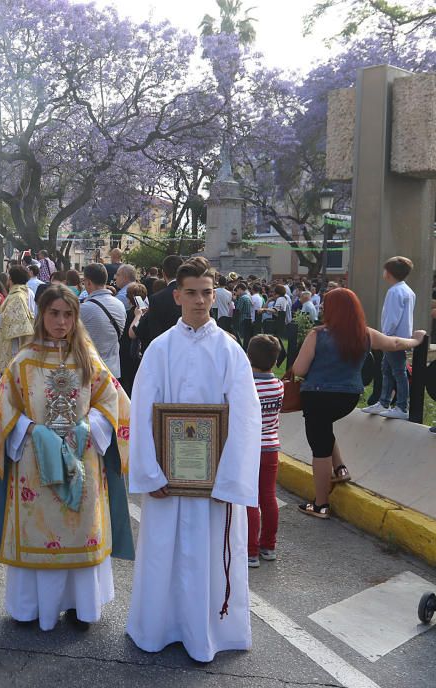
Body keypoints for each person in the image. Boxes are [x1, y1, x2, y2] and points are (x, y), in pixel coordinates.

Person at [126, 256, 262, 663]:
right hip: (168, 479)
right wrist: (150, 473)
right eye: (192, 293)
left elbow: (245, 418)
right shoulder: (159, 348)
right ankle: (159, 627)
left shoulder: (230, 350)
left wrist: (228, 480)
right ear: (177, 294)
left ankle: (210, 633)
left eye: (207, 292)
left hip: (212, 484)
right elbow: (141, 410)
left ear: (213, 294)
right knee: (163, 551)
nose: (201, 300)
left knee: (207, 556)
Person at [0, 285, 132, 631]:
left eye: (68, 314)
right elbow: (0, 411)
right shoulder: (24, 361)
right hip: (32, 462)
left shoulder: (89, 360)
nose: (61, 322)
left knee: (79, 530)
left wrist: (88, 426)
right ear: (41, 316)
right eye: (53, 314)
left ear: (76, 318)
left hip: (83, 458)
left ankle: (81, 606)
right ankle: (30, 608)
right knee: (37, 530)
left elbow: (115, 405)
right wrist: (32, 430)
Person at [292, 288, 425, 518]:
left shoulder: (317, 334)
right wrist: (416, 339)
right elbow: (394, 343)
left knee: (319, 448)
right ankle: (340, 468)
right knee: (325, 430)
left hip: (317, 396)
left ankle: (321, 504)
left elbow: (299, 369)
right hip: (349, 397)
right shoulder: (365, 334)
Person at [245, 335, 284, 568]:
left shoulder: (247, 385)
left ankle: (250, 550)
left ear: (249, 357)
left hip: (250, 448)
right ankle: (268, 545)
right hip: (271, 446)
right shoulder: (278, 385)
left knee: (250, 499)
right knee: (268, 497)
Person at [361, 257, 416, 420]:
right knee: (388, 369)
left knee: (397, 372)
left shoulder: (394, 291)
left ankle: (400, 406)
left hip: (392, 338)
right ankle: (384, 402)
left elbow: (392, 318)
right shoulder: (408, 290)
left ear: (390, 272)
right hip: (401, 337)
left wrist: (384, 336)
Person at [0, 265, 36, 384]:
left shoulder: (17, 296)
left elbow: (7, 322)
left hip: (11, 346)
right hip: (9, 342)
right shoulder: (20, 294)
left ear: (11, 279)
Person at [80, 263, 126, 378]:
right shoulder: (119, 304)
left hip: (93, 371)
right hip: (114, 370)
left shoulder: (85, 309)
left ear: (88, 282)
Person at [133, 255, 183, 350]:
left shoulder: (157, 299)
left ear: (163, 274)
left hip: (165, 351)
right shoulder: (195, 295)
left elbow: (152, 332)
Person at [233, 282, 254, 348]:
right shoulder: (248, 296)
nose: (236, 292)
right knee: (246, 339)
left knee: (239, 336)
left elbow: (238, 309)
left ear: (240, 289)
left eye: (237, 290)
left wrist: (234, 300)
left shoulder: (242, 298)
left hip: (242, 319)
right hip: (248, 318)